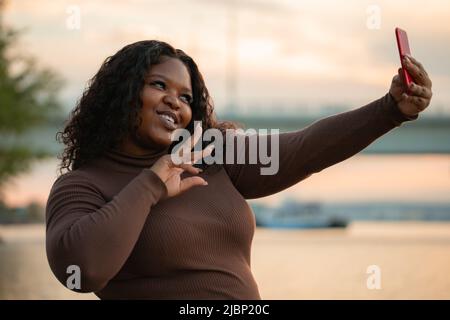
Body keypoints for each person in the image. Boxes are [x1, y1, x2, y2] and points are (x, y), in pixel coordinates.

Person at [45, 40, 432, 299]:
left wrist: (390, 109)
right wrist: (150, 184)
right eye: (158, 85)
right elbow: (84, 269)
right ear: (122, 95)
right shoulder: (83, 186)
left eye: (186, 97)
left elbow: (305, 148)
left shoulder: (213, 157)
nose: (174, 103)